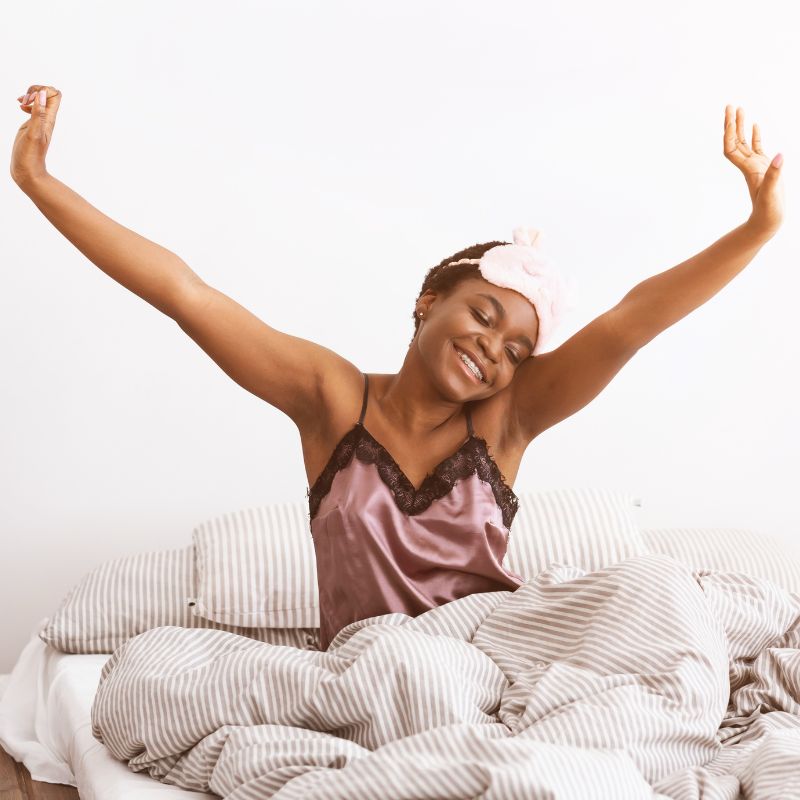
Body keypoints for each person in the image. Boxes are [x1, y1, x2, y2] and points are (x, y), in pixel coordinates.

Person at [11, 85, 786, 650]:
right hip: (371, 669)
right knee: (156, 669)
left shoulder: (502, 423)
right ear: (428, 303)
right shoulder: (332, 401)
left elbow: (626, 327)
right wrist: (39, 181)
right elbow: (187, 294)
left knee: (659, 587)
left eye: (517, 349)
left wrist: (757, 228)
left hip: (486, 664)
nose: (494, 349)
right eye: (484, 316)